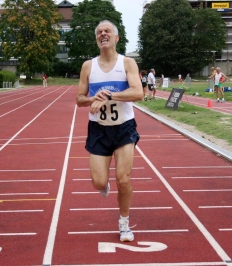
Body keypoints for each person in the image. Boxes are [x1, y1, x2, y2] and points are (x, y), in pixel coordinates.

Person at [76, 20, 143, 242]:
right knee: (98, 182)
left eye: (107, 31)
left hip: (124, 128)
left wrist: (108, 96)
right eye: (99, 32)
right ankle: (102, 183)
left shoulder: (127, 63)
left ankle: (124, 223)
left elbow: (138, 93)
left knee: (123, 179)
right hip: (98, 129)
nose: (103, 34)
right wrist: (91, 99)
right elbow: (79, 99)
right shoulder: (88, 66)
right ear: (97, 39)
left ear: (116, 38)